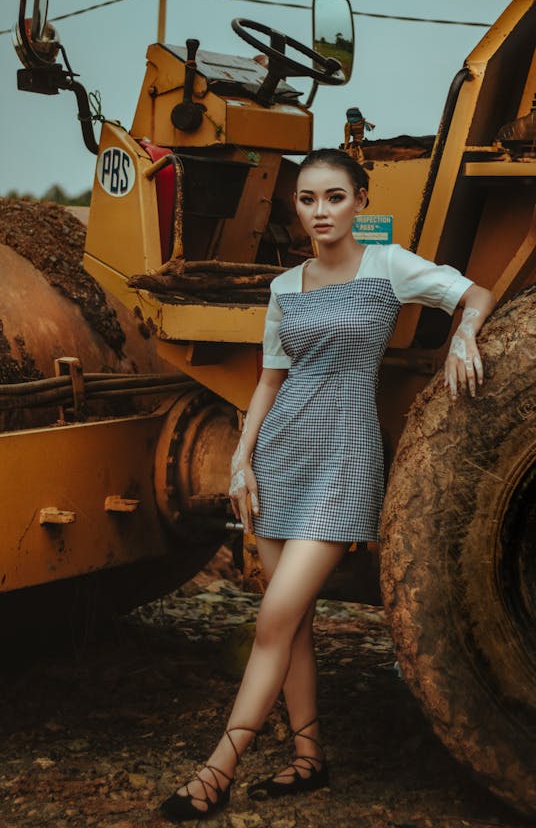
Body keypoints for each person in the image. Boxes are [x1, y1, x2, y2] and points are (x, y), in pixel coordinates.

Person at [161, 147, 495, 821]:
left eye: (335, 197)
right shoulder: (286, 287)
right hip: (282, 454)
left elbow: (475, 294)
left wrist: (465, 338)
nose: (321, 211)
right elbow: (268, 382)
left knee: (272, 621)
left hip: (345, 460)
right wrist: (241, 458)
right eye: (308, 199)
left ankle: (218, 768)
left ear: (360, 200)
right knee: (297, 624)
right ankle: (309, 758)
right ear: (297, 207)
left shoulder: (388, 265)